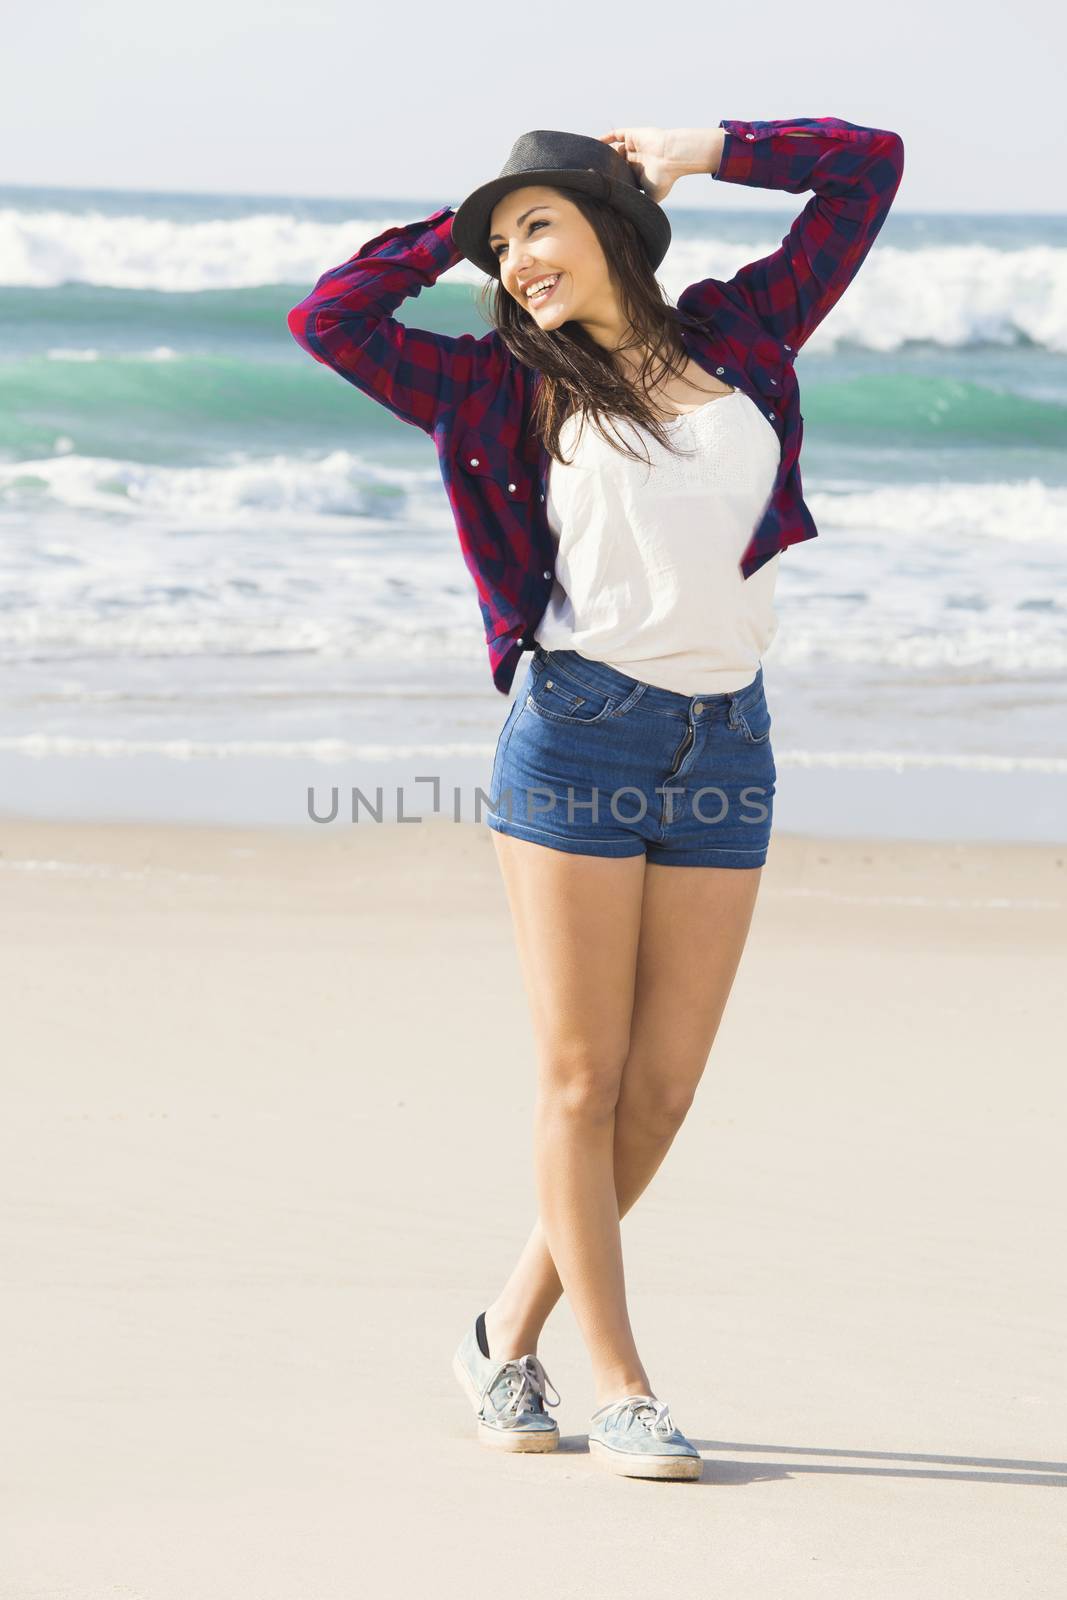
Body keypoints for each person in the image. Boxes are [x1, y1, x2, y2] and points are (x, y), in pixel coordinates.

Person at [287, 118, 905, 1481]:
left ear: (612, 224)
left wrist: (710, 146)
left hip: (729, 746)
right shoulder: (495, 387)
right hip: (576, 740)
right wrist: (456, 235)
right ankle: (619, 1381)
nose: (515, 263)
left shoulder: (745, 334)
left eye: (538, 228)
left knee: (663, 1094)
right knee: (583, 1077)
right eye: (499, 247)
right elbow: (329, 315)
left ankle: (499, 1333)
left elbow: (869, 168)